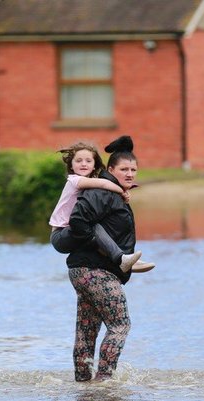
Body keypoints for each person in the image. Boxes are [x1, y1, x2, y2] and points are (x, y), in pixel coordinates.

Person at [65, 135, 142, 382]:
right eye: (124, 169)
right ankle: (103, 382)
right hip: (96, 271)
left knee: (87, 331)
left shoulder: (112, 192)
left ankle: (83, 385)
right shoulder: (102, 192)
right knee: (121, 324)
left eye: (133, 170)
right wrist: (100, 249)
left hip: (83, 271)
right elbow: (78, 221)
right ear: (110, 170)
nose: (129, 174)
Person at [49, 141, 155, 274]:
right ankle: (120, 258)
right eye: (78, 161)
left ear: (94, 165)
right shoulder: (74, 180)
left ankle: (123, 258)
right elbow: (104, 183)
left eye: (88, 161)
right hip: (59, 235)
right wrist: (121, 191)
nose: (83, 164)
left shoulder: (88, 183)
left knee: (94, 225)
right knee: (94, 226)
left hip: (68, 233)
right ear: (71, 164)